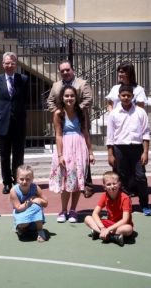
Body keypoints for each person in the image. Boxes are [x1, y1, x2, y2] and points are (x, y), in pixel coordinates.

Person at [46, 60, 95, 196]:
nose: (65, 72)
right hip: (63, 123)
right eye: (62, 71)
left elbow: (88, 99)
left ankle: (86, 184)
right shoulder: (56, 85)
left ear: (72, 70)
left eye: (67, 70)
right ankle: (67, 183)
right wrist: (60, 111)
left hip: (79, 122)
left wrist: (74, 109)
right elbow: (50, 101)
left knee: (82, 156)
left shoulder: (82, 83)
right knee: (66, 158)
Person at [49, 86, 94, 223]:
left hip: (80, 148)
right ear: (62, 98)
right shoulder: (58, 113)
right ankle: (63, 210)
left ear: (76, 97)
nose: (69, 98)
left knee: (77, 180)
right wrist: (60, 155)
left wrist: (90, 152)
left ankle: (73, 210)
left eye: (72, 96)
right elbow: (58, 135)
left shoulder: (81, 112)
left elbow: (85, 132)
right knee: (66, 180)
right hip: (65, 148)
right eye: (67, 96)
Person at [106, 85, 151, 216]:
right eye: (123, 95)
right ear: (119, 96)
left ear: (133, 96)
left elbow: (146, 133)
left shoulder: (140, 112)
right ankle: (126, 205)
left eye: (128, 95)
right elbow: (110, 136)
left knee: (141, 177)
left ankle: (145, 205)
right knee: (122, 178)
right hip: (119, 149)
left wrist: (145, 152)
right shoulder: (114, 113)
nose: (126, 98)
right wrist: (110, 154)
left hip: (137, 149)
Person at [0, 52, 29, 195]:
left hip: (19, 122)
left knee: (19, 154)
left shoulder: (23, 79)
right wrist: (3, 114)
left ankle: (17, 180)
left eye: (12, 63)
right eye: (7, 63)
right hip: (3, 122)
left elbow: (25, 99)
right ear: (3, 64)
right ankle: (7, 182)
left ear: (15, 64)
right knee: (4, 155)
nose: (9, 65)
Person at [84, 171, 133, 247]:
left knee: (128, 229)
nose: (112, 186)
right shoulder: (104, 196)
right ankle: (112, 237)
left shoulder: (125, 198)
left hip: (121, 225)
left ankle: (99, 233)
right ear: (104, 187)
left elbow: (125, 220)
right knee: (87, 219)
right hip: (109, 224)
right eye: (108, 184)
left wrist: (108, 229)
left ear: (119, 184)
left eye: (114, 183)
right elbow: (95, 213)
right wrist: (102, 228)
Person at [10, 164, 48, 242]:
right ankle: (21, 227)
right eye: (21, 179)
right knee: (23, 225)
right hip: (21, 212)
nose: (24, 182)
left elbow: (46, 203)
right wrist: (28, 202)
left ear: (32, 179)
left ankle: (40, 231)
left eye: (28, 179)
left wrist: (39, 200)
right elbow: (18, 208)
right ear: (17, 178)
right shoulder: (13, 191)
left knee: (37, 206)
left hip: (34, 213)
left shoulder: (36, 188)